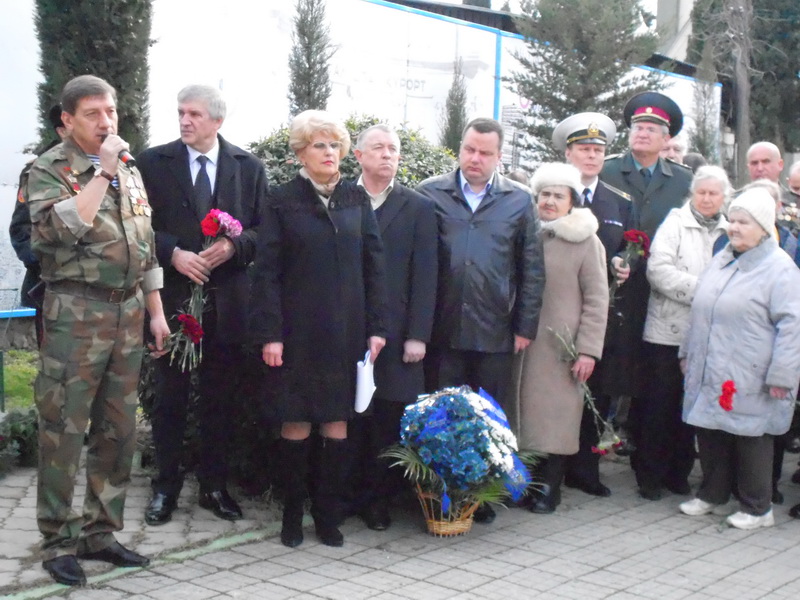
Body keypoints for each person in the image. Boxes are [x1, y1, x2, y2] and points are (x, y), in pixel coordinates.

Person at [26, 75, 170, 586]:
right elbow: (56, 232)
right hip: (76, 316)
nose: (107, 122)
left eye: (110, 111)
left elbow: (145, 242)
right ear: (67, 119)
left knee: (119, 429)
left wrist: (155, 311)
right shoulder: (50, 169)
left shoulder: (129, 169)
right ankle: (58, 541)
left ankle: (101, 533)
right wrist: (101, 174)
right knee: (64, 429)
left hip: (128, 313)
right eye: (93, 113)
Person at [249, 110, 388, 548]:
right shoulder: (282, 199)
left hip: (346, 333)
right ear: (300, 155)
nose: (329, 153)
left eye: (334, 145)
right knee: (296, 423)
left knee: (337, 422)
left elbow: (375, 266)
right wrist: (270, 333)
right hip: (297, 333)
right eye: (318, 146)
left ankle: (328, 515)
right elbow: (266, 273)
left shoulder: (355, 198)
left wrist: (378, 328)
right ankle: (292, 514)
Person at [136, 85, 266, 526]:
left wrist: (233, 246)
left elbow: (263, 230)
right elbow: (135, 226)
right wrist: (172, 251)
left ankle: (214, 486)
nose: (185, 121)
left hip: (227, 305)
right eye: (180, 113)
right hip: (171, 302)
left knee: (219, 400)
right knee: (169, 399)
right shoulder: (153, 163)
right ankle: (165, 487)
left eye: (194, 114)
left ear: (217, 121)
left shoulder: (248, 167)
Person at [417, 117, 545, 524]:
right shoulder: (430, 194)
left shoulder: (519, 201)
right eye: (469, 149)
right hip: (442, 327)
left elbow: (531, 269)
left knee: (489, 417)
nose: (475, 158)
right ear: (460, 148)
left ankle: (483, 498)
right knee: (440, 415)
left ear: (499, 156)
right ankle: (439, 495)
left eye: (485, 153)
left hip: (495, 329)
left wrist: (524, 326)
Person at [678, 188, 800, 529]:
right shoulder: (722, 259)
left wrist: (782, 374)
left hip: (753, 370)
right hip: (712, 363)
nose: (734, 227)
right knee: (711, 429)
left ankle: (758, 507)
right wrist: (687, 352)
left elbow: (793, 327)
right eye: (732, 220)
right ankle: (714, 494)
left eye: (743, 222)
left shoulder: (780, 270)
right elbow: (700, 309)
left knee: (752, 436)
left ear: (763, 227)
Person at [600, 92, 693, 500]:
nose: (642, 133)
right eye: (637, 127)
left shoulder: (684, 182)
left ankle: (651, 464)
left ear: (665, 137)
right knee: (606, 375)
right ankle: (586, 459)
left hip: (663, 300)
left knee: (655, 383)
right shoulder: (607, 172)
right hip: (613, 291)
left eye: (651, 129)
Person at [346, 124, 437, 531]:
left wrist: (418, 334)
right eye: (378, 148)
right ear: (359, 155)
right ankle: (341, 496)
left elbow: (426, 274)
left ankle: (377, 501)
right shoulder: (340, 199)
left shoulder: (417, 207)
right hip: (345, 329)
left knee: (386, 420)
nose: (387, 154)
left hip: (398, 334)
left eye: (394, 149)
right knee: (345, 417)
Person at [516, 163, 609, 514]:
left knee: (555, 419)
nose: (550, 202)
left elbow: (598, 298)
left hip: (561, 348)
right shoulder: (528, 233)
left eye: (559, 196)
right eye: (545, 195)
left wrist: (588, 350)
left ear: (572, 201)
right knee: (524, 417)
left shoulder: (586, 240)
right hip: (524, 344)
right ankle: (522, 484)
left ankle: (549, 488)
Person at [552, 112, 633, 497]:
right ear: (569, 153)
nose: (591, 156)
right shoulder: (551, 196)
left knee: (594, 394)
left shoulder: (617, 202)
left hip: (599, 316)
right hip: (555, 313)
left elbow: (628, 251)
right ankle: (546, 471)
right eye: (584, 149)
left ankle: (584, 471)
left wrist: (623, 264)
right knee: (551, 394)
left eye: (598, 150)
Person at [638, 166, 731, 498]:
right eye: (701, 192)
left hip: (708, 335)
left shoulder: (729, 229)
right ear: (692, 194)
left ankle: (679, 473)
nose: (706, 199)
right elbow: (659, 271)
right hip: (668, 332)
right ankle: (649, 475)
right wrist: (705, 290)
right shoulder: (675, 223)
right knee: (659, 408)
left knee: (690, 410)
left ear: (724, 197)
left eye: (713, 193)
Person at [9, 105, 66, 346]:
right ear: (63, 129)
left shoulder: (108, 166)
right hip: (51, 290)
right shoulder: (39, 169)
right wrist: (49, 266)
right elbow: (21, 231)